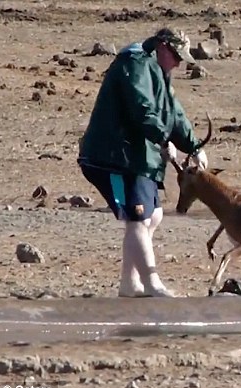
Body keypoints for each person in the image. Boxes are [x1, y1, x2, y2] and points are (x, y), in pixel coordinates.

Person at [77, 28, 208, 298]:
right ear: (162, 46)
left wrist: (194, 146)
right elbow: (141, 108)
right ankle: (152, 283)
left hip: (139, 158)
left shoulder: (159, 71)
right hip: (115, 156)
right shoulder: (134, 63)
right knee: (138, 218)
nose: (178, 63)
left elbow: (174, 113)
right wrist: (162, 139)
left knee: (154, 216)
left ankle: (130, 283)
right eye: (175, 56)